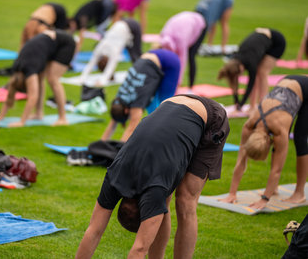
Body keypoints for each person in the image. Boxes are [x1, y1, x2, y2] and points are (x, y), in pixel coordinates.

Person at [76, 94, 229, 258]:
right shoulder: (114, 177)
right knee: (166, 196)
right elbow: (93, 231)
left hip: (211, 119)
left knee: (186, 201)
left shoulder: (154, 191)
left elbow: (139, 249)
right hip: (172, 102)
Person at [220, 75, 307, 209]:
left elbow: (276, 170)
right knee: (284, 142)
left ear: (269, 143)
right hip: (286, 84)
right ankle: (274, 187)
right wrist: (232, 194)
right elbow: (240, 161)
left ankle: (299, 193)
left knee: (300, 139)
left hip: (305, 90)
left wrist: (264, 199)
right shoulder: (249, 126)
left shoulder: (279, 131)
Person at [0, 29, 76, 127]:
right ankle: (38, 113)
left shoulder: (29, 68)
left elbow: (33, 96)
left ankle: (63, 118)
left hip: (65, 43)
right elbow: (10, 95)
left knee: (53, 79)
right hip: (47, 45)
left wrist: (22, 122)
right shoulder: (16, 70)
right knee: (40, 79)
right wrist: (1, 116)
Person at [101, 49, 180, 142]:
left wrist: (118, 154)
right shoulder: (118, 99)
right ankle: (156, 138)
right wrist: (100, 147)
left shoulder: (137, 101)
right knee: (154, 111)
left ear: (127, 110)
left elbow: (131, 128)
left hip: (170, 62)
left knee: (166, 107)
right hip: (150, 57)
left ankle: (169, 138)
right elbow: (112, 123)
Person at [218, 28, 286, 113]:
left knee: (262, 73)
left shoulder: (250, 62)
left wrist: (240, 105)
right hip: (263, 38)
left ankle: (263, 106)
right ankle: (252, 106)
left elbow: (251, 84)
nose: (240, 75)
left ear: (240, 68)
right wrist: (237, 102)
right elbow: (234, 81)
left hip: (276, 42)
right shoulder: (235, 59)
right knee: (258, 74)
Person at [79, 18, 142, 87]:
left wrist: (102, 81)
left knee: (135, 55)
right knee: (133, 53)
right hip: (120, 25)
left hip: (132, 26)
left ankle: (142, 72)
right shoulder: (100, 48)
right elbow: (92, 63)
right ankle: (139, 71)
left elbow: (110, 66)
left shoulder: (112, 51)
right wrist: (82, 78)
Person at [158, 11, 206, 88]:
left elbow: (182, 60)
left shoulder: (181, 41)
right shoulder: (164, 34)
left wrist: (178, 82)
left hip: (199, 23)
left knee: (191, 55)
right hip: (184, 21)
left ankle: (190, 87)